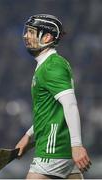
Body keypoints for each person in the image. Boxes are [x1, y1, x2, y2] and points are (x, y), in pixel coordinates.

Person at [16, 14, 91, 179]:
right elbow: (51, 111)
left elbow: (70, 105)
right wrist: (28, 136)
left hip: (52, 149)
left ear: (47, 37)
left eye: (31, 32)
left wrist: (77, 145)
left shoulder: (52, 66)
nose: (25, 36)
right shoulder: (50, 64)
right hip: (60, 148)